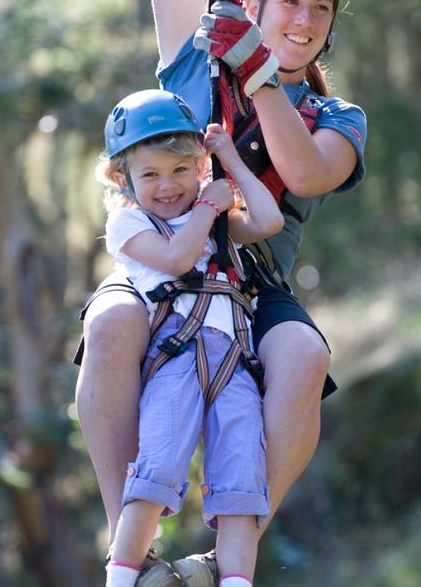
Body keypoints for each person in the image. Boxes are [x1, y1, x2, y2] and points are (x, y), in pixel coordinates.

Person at [75, 0, 367, 584]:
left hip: (255, 280)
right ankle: (132, 552)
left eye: (321, 8)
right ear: (253, 0)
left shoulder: (338, 119)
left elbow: (300, 173)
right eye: (290, 0)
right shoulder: (194, 62)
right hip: (167, 258)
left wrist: (257, 71)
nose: (305, 19)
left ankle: (228, 556)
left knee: (304, 355)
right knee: (112, 321)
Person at [98, 88, 283, 587]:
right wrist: (208, 207)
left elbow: (268, 220)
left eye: (181, 170)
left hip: (237, 363)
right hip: (176, 355)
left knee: (241, 483)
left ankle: (237, 580)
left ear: (197, 166)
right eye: (150, 175)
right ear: (124, 179)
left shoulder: (216, 221)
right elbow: (179, 258)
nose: (167, 186)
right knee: (155, 473)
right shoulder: (130, 223)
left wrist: (228, 161)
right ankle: (121, 577)